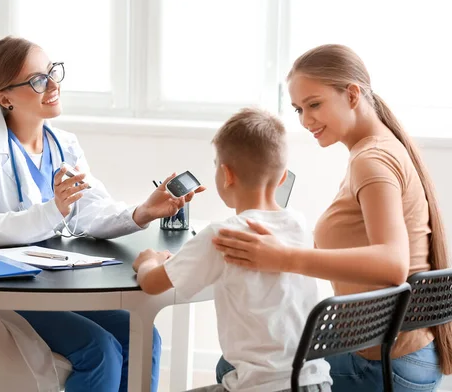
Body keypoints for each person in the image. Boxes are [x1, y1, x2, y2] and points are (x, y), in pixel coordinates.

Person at [0, 36, 204, 392]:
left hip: (42, 281)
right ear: (4, 98)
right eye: (37, 80)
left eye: (52, 72)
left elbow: (90, 211)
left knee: (142, 336)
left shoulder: (63, 144)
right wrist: (53, 210)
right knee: (99, 350)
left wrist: (143, 211)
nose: (53, 85)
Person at [211, 44, 452, 391]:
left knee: (234, 365)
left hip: (382, 364)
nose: (306, 120)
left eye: (314, 104)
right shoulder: (378, 149)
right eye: (298, 109)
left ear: (352, 94)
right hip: (399, 356)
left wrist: (283, 257)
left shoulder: (373, 160)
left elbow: (392, 263)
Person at [133, 108, 333, 392]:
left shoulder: (222, 234)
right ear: (281, 177)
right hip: (316, 383)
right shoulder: (299, 225)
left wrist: (148, 261)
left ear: (226, 175)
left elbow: (152, 284)